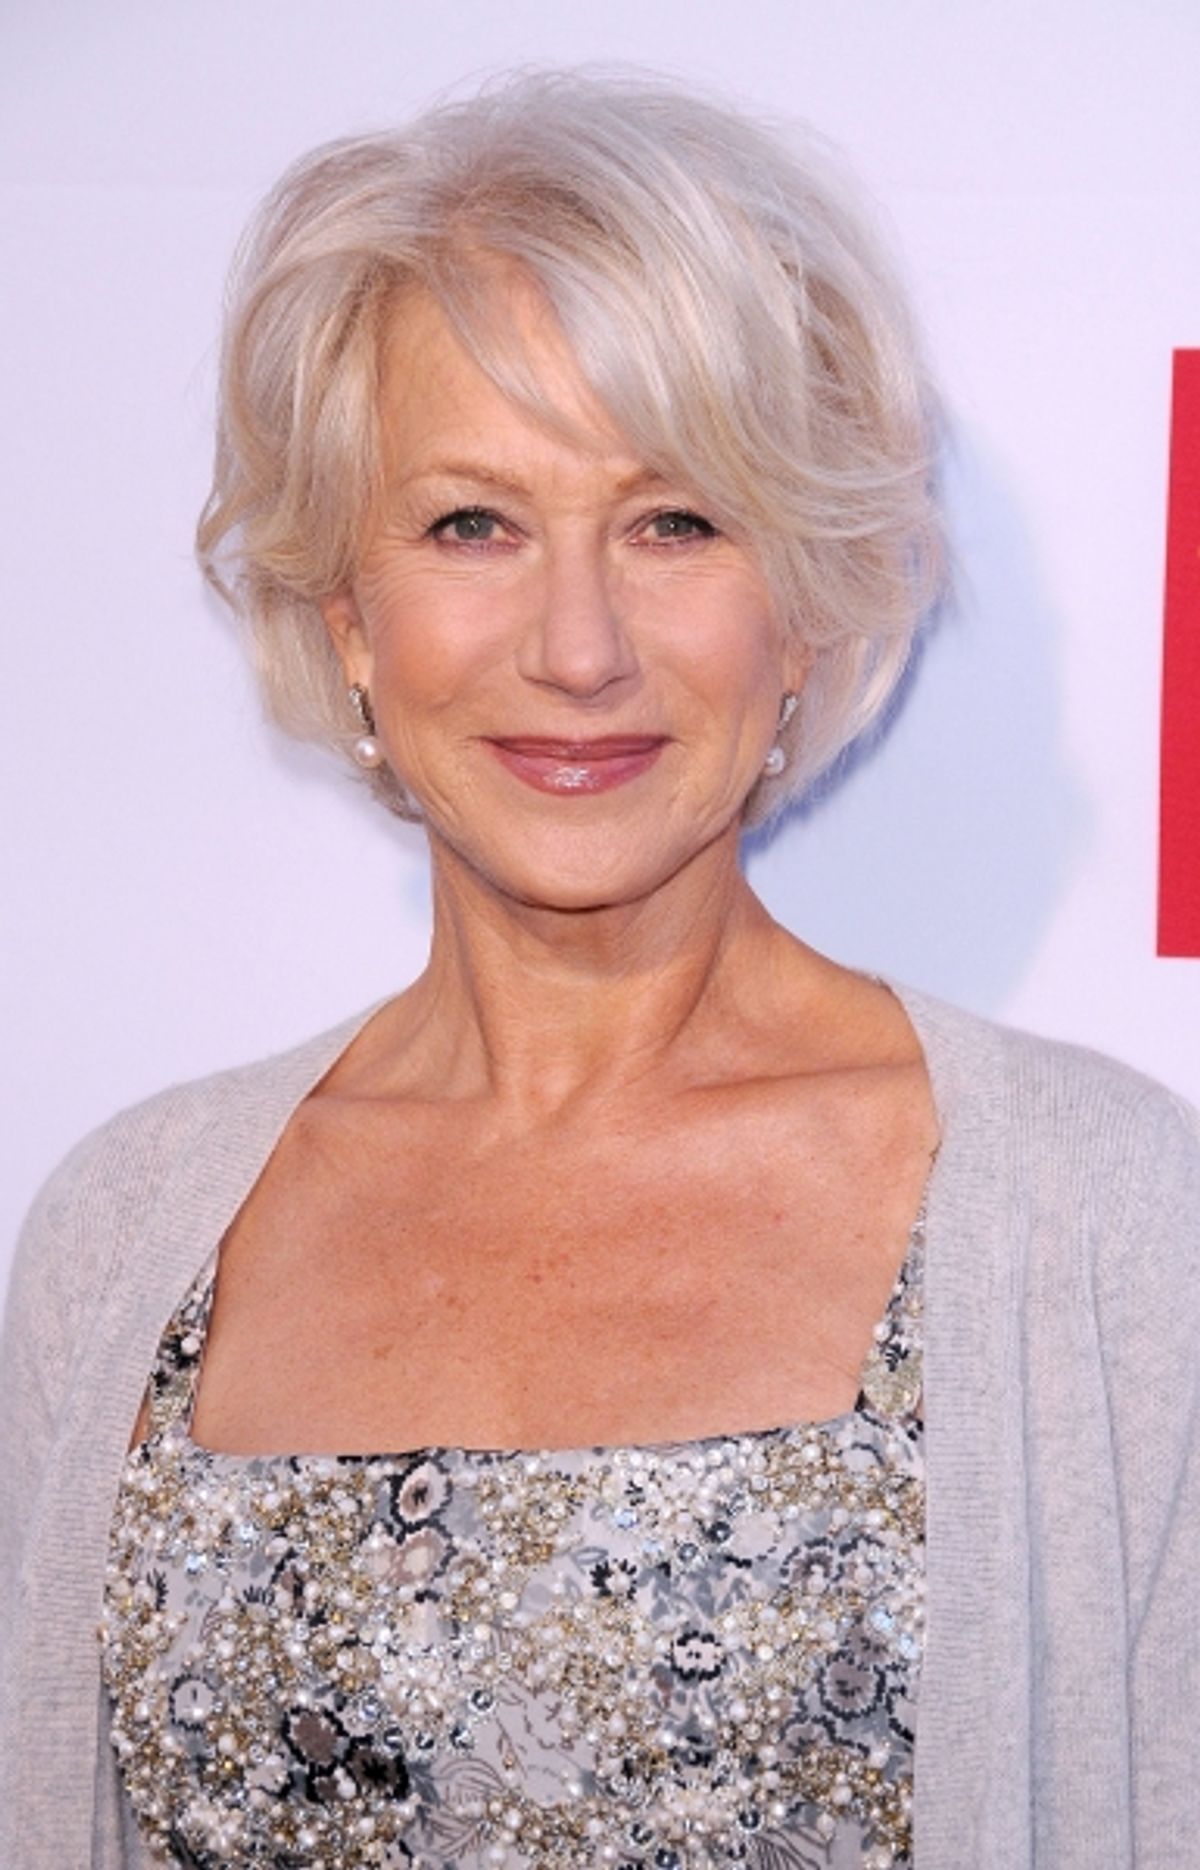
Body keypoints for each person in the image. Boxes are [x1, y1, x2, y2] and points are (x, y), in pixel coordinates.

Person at [1, 69, 1197, 1870]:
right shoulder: (128, 1233)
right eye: (471, 522)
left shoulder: (1102, 1224)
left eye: (678, 520)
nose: (577, 647)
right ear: (347, 616)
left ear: (800, 608)